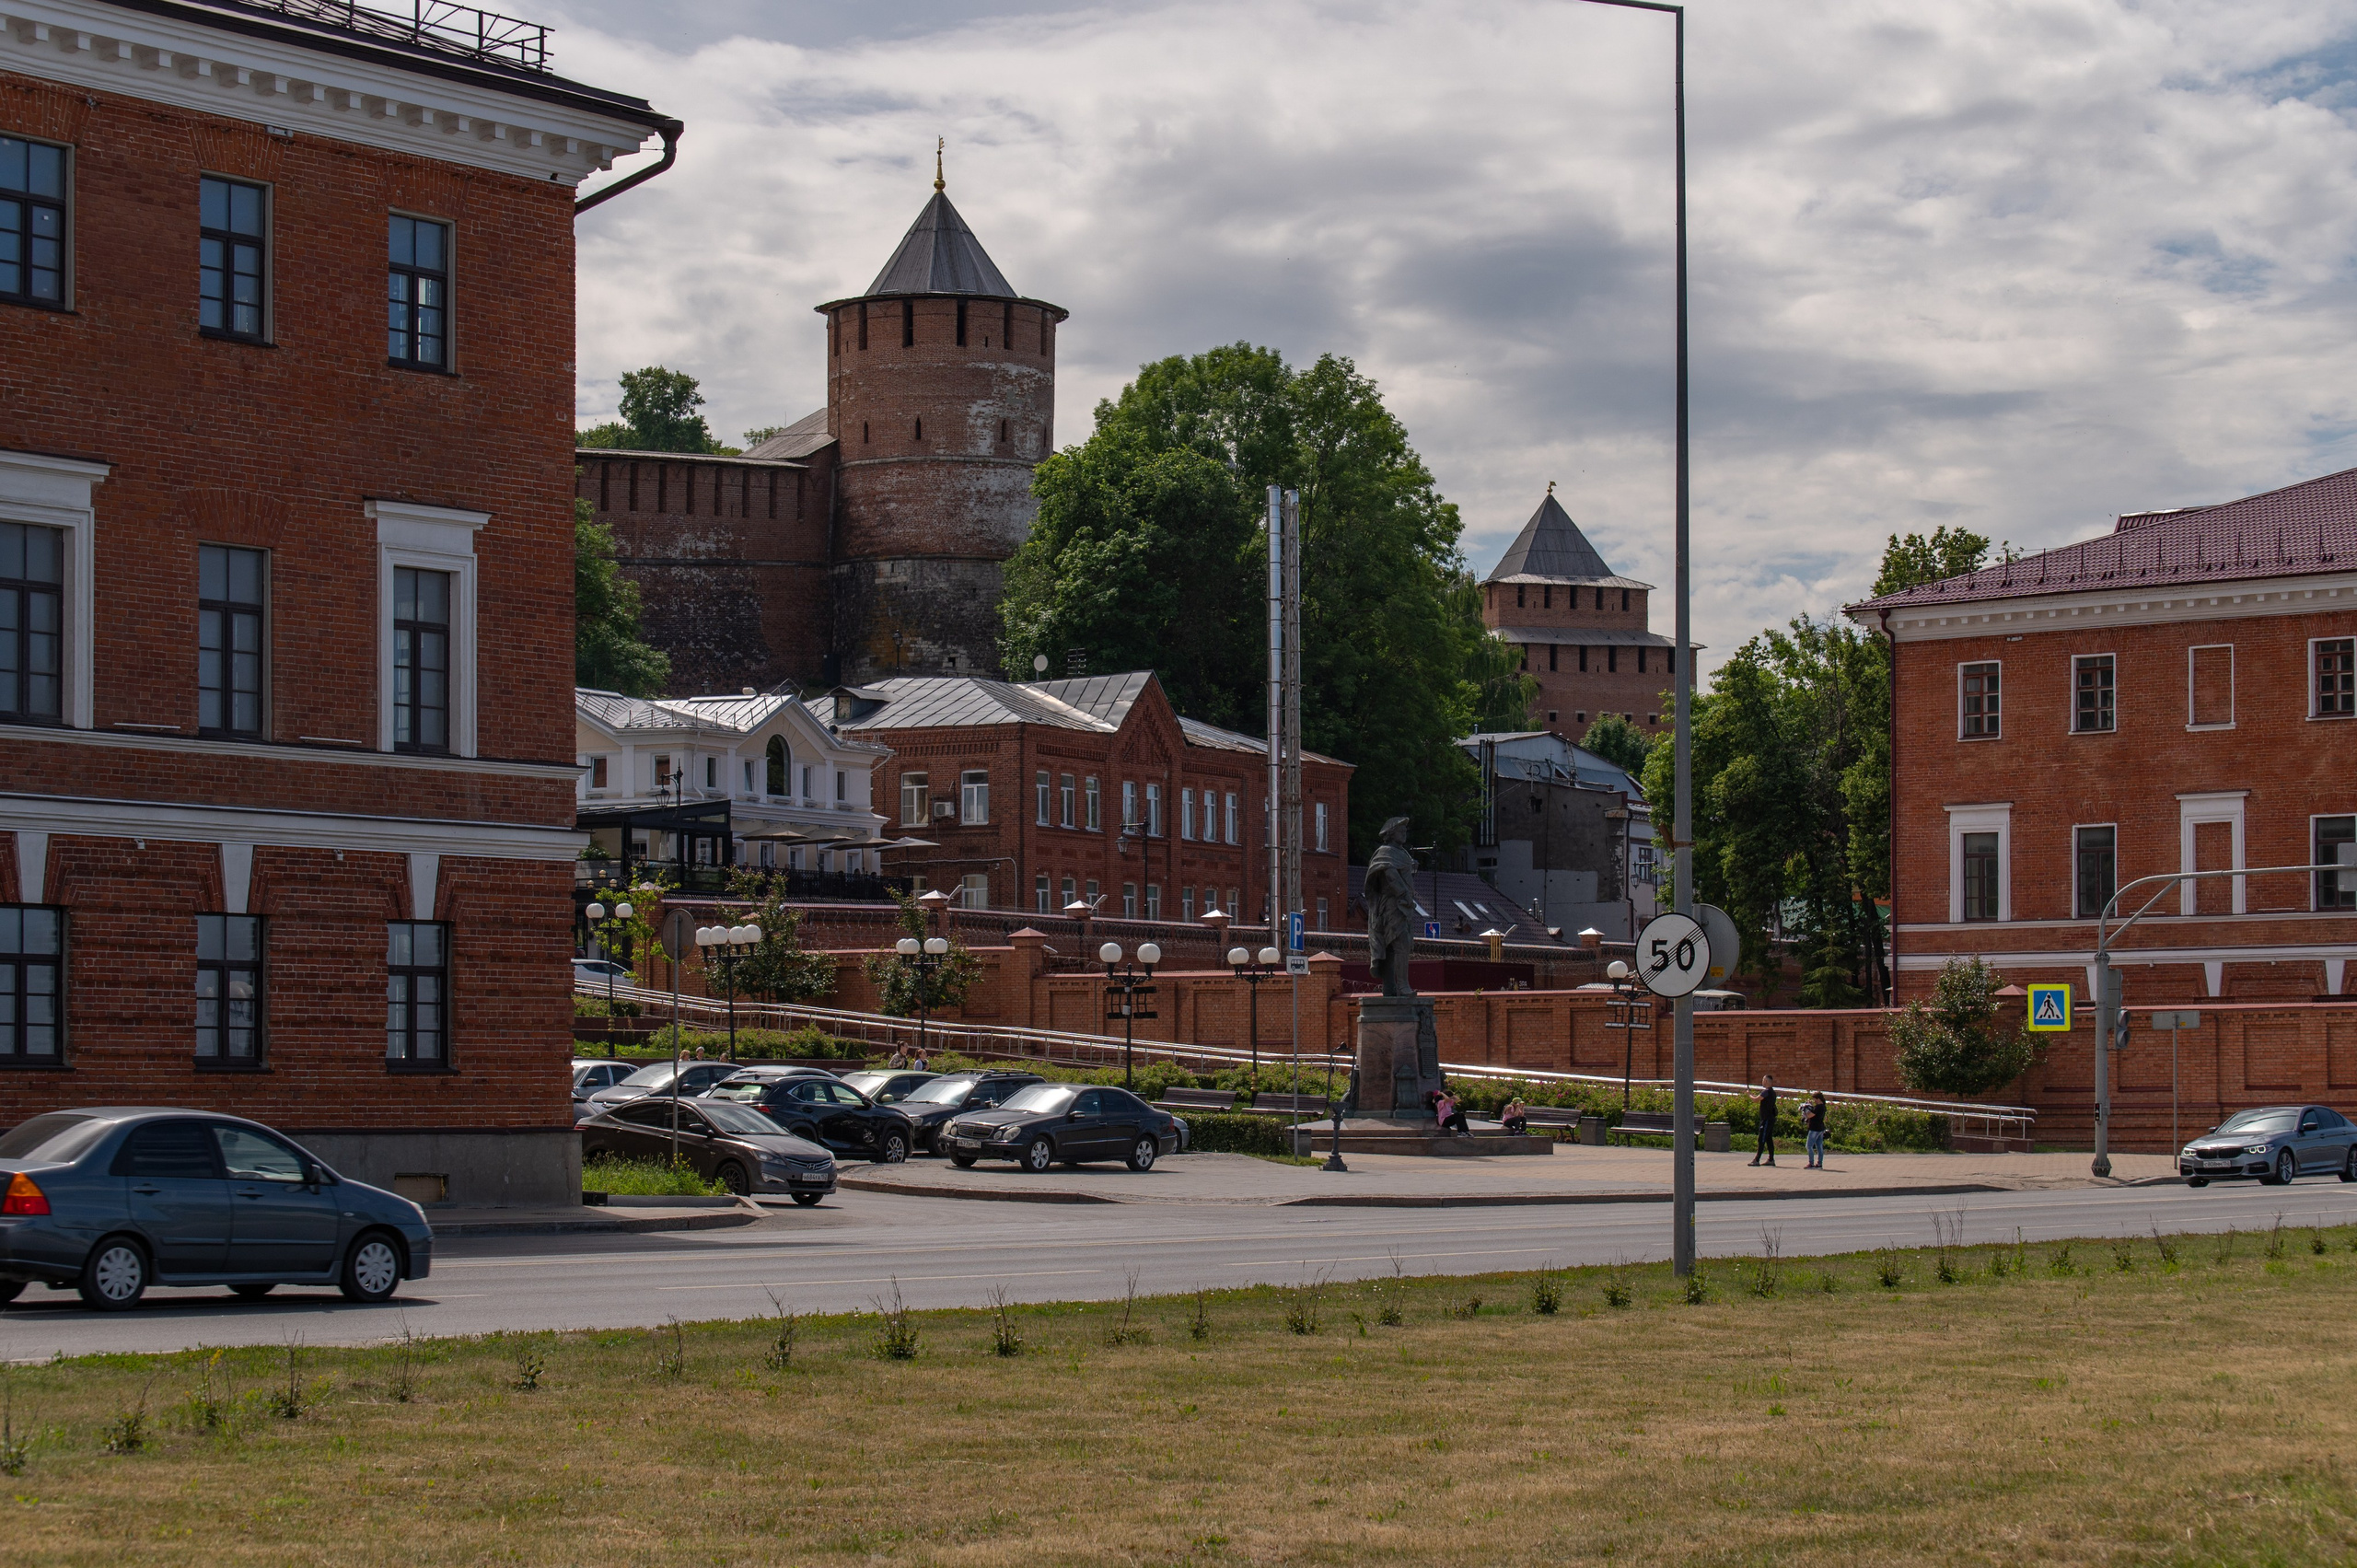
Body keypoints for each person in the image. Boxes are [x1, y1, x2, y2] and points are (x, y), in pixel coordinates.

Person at [1749, 1074, 1779, 1167]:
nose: (1762, 1082)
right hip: (1770, 1118)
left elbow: (1755, 1100)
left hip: (1766, 1119)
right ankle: (1771, 1159)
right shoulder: (1772, 1092)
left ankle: (1757, 1159)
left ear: (1766, 1081)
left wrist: (1749, 1094)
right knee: (1768, 1138)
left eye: (1763, 1080)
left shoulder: (1766, 1092)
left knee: (1761, 1138)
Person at [1804, 1091, 1829, 1168]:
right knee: (1819, 1146)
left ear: (1818, 1099)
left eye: (1815, 1099)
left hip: (1814, 1129)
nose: (1814, 1101)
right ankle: (1819, 1163)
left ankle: (1811, 1163)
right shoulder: (1823, 1106)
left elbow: (1810, 1115)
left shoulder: (1818, 1107)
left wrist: (1805, 1109)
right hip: (1821, 1128)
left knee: (1809, 1146)